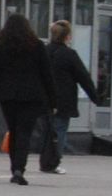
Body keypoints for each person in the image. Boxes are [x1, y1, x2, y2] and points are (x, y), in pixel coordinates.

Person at [0, 12, 56, 186]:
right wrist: (53, 101)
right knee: (24, 133)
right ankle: (20, 169)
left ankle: (15, 168)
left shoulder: (0, 47)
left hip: (8, 96)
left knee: (14, 131)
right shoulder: (37, 46)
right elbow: (47, 75)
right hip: (31, 97)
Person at [38, 20, 99, 174]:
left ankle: (45, 161)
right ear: (66, 37)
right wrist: (95, 97)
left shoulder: (43, 52)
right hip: (63, 100)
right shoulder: (69, 54)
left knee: (46, 131)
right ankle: (54, 162)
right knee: (59, 131)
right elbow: (83, 77)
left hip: (44, 98)